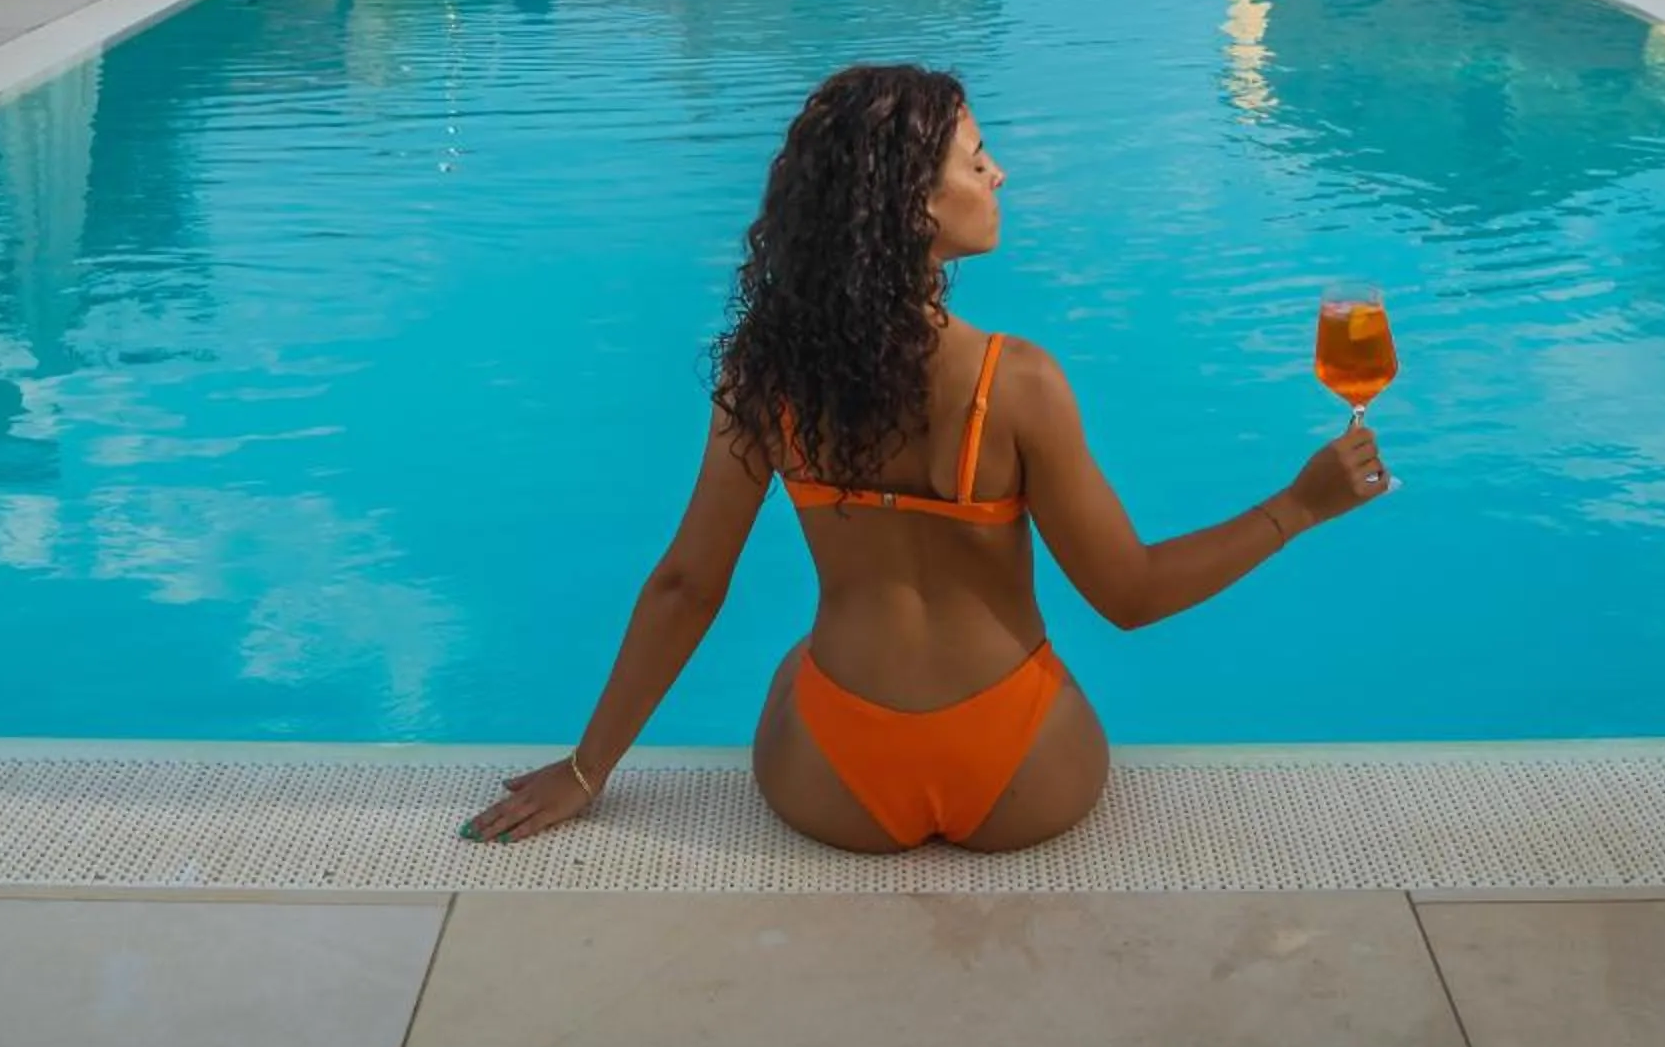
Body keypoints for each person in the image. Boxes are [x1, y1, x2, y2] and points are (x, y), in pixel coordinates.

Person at [463, 62, 1390, 855]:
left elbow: (686, 587)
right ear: (913, 205)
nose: (1001, 173)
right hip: (1024, 766)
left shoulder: (766, 378)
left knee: (799, 660)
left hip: (833, 775)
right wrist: (1298, 506)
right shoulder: (1016, 381)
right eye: (975, 160)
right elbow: (1130, 596)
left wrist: (587, 771)